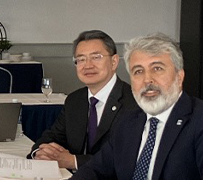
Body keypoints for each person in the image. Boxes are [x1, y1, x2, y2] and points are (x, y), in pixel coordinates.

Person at [64, 33, 203, 180]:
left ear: (179, 76)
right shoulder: (129, 121)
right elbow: (96, 167)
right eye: (138, 71)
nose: (147, 80)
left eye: (157, 69)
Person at [30, 30, 134, 169]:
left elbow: (126, 158)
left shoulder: (133, 102)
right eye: (81, 59)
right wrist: (41, 152)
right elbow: (53, 136)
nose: (88, 65)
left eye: (96, 57)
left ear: (114, 62)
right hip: (74, 179)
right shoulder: (75, 100)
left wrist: (74, 161)